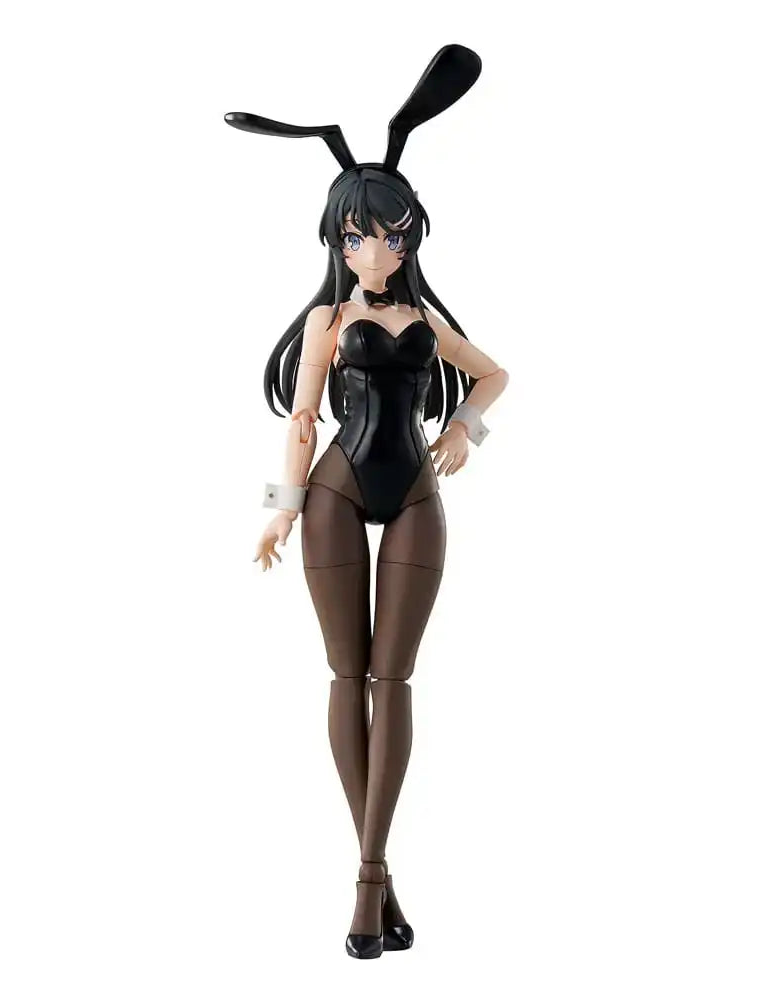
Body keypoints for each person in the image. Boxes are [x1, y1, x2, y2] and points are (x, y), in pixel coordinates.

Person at [226, 43, 508, 959]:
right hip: (335, 492)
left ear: (412, 237)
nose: (374, 252)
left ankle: (370, 877)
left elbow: (497, 375)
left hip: (417, 488)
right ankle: (373, 882)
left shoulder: (426, 322)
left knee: (397, 679)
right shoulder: (328, 320)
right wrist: (279, 507)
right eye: (355, 238)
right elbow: (304, 420)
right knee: (348, 677)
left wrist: (464, 429)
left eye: (389, 236)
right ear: (335, 241)